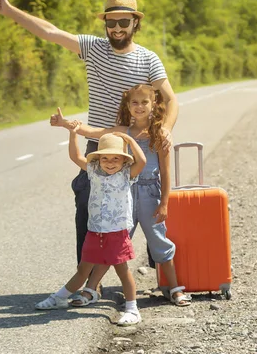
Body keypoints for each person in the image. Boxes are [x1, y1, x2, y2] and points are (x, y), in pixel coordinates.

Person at [0, 0, 180, 268]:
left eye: (123, 22)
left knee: (149, 202)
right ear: (105, 23)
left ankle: (162, 273)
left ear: (135, 24)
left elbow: (171, 99)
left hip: (142, 144)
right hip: (101, 143)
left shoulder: (148, 59)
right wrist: (10, 11)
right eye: (111, 22)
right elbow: (50, 32)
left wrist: (165, 129)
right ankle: (88, 274)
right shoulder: (92, 48)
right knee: (89, 205)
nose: (116, 28)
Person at [52, 84, 191, 307]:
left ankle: (174, 289)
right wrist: (65, 124)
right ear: (128, 106)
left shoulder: (160, 135)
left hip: (149, 193)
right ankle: (90, 289)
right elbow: (92, 132)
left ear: (154, 104)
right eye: (134, 102)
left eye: (144, 102)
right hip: (122, 196)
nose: (139, 107)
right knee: (111, 242)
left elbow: (165, 172)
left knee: (158, 241)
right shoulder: (121, 132)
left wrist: (164, 203)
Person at [34, 128, 147, 326]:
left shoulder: (127, 174)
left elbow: (143, 161)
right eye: (105, 158)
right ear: (98, 159)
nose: (110, 163)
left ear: (123, 160)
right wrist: (72, 133)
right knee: (83, 270)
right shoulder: (93, 170)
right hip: (95, 231)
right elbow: (75, 156)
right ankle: (60, 298)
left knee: (123, 271)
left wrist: (129, 139)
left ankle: (132, 309)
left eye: (115, 159)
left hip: (117, 232)